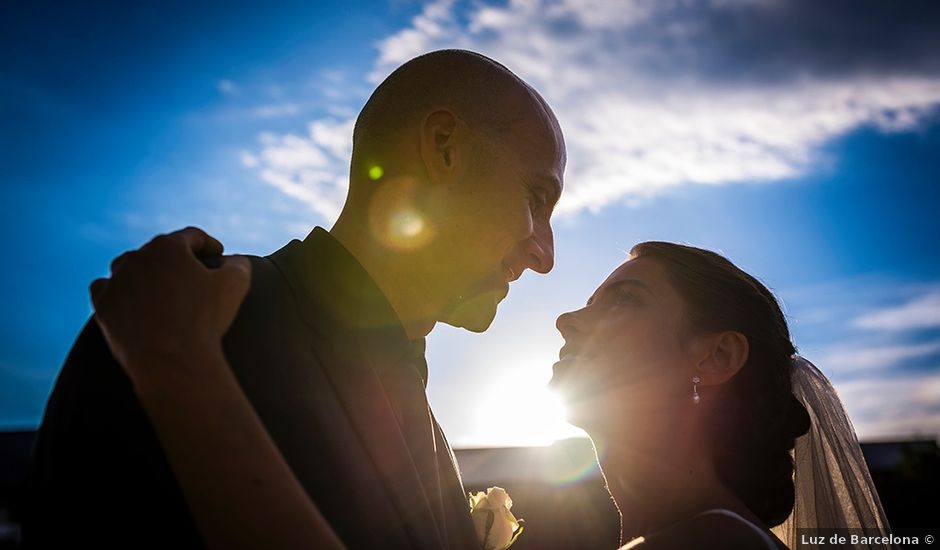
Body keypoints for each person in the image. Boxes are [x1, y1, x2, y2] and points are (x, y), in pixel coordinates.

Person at [24, 49, 566, 549]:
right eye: (535, 197)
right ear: (443, 146)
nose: (545, 255)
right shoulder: (184, 313)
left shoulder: (426, 422)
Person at [86, 232, 892, 549]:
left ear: (714, 358)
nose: (570, 317)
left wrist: (175, 362)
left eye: (625, 300)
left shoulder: (714, 546)